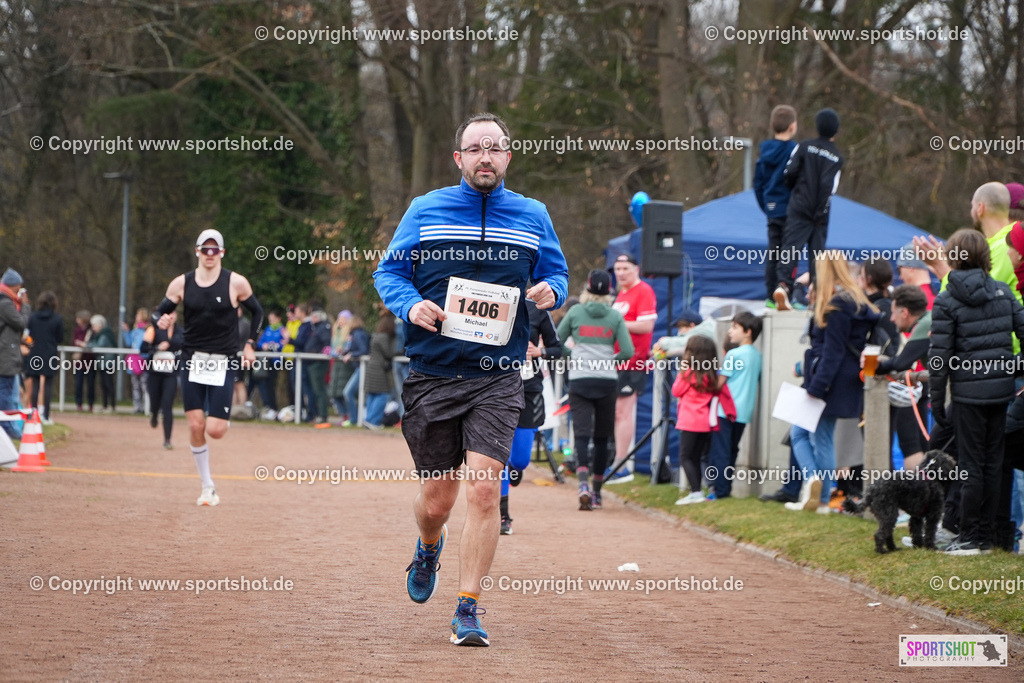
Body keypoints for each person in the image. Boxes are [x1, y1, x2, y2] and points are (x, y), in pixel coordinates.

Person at [373, 112, 568, 647]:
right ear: (458, 158)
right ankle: (428, 545)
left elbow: (556, 273)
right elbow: (389, 272)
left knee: (484, 490)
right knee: (437, 501)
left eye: (495, 147)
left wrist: (552, 291)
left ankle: (467, 607)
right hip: (434, 373)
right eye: (476, 148)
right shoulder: (426, 209)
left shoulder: (532, 214)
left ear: (508, 156)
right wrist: (410, 305)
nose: (486, 156)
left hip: (498, 375)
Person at [929, 229, 1024, 555]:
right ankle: (985, 535)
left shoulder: (946, 300)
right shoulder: (1003, 292)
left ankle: (971, 536)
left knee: (970, 464)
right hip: (1000, 393)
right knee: (992, 463)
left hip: (968, 396)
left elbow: (939, 358)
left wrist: (936, 402)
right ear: (986, 256)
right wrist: (1012, 367)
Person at [152, 229, 263, 507]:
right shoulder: (182, 283)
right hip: (192, 358)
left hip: (223, 360)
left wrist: (250, 344)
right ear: (197, 251)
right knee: (195, 423)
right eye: (205, 249)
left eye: (215, 250)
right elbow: (159, 311)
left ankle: (222, 418)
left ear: (222, 253)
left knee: (215, 430)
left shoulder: (236, 282)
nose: (210, 254)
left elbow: (258, 312)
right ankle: (207, 486)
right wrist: (160, 321)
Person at [785, 251, 879, 513]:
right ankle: (818, 490)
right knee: (809, 433)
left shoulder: (837, 305)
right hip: (842, 380)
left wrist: (817, 386)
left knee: (814, 435)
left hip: (829, 381)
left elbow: (832, 351)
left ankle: (819, 492)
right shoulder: (855, 301)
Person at [557, 270, 632, 511]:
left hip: (580, 380)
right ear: (609, 291)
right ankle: (597, 492)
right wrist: (609, 362)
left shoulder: (575, 312)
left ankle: (582, 485)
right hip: (606, 382)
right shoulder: (615, 316)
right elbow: (628, 351)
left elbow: (556, 341)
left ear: (587, 289)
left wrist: (574, 355)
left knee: (581, 435)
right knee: (601, 437)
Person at [773, 108, 844, 310]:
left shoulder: (804, 146)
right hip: (820, 213)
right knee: (818, 255)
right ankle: (816, 292)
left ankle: (783, 285)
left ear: (817, 126)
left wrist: (796, 190)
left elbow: (789, 171)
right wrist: (821, 210)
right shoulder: (837, 157)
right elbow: (831, 187)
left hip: (799, 207)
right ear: (835, 131)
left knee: (790, 247)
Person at [501, 299, 561, 533]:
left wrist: (539, 351)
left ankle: (515, 468)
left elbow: (557, 349)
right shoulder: (492, 300)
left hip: (530, 390)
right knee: (497, 456)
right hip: (496, 389)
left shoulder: (537, 310)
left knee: (520, 460)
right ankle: (503, 515)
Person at [609, 253, 658, 484]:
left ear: (636, 269)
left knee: (623, 412)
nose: (620, 273)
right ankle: (616, 462)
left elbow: (647, 325)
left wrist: (617, 323)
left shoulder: (644, 291)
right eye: (617, 269)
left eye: (625, 268)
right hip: (615, 361)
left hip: (633, 362)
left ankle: (621, 466)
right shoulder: (622, 293)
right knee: (615, 413)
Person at [672, 335, 736, 505]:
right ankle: (698, 490)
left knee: (685, 457)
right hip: (706, 422)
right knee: (697, 456)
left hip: (690, 422)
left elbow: (676, 391)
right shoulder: (713, 376)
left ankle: (695, 492)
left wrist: (682, 370)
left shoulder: (688, 373)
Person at [706, 312, 763, 499]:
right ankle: (725, 488)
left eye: (734, 327)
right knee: (731, 449)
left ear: (748, 332)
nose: (730, 331)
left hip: (725, 411)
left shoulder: (733, 354)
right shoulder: (757, 356)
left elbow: (719, 383)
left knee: (720, 450)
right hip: (744, 413)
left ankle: (720, 491)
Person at [754, 104, 798, 307]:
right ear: (793, 126)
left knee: (773, 252)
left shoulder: (764, 152)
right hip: (791, 209)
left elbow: (758, 184)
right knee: (790, 252)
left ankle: (771, 297)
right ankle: (785, 290)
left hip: (772, 209)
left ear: (772, 125)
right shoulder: (795, 151)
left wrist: (767, 206)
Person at [141, 310, 183, 449]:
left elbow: (185, 347)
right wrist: (157, 347)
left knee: (167, 405)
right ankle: (154, 415)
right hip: (155, 373)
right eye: (168, 314)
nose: (170, 317)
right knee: (155, 402)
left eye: (173, 314)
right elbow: (143, 348)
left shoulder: (180, 332)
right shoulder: (153, 329)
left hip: (171, 374)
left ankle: (167, 440)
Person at [0, 268, 31, 438]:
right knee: (6, 397)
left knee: (11, 395)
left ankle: (11, 430)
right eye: (18, 288)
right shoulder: (5, 303)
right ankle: (7, 430)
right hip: (5, 359)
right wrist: (25, 306)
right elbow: (20, 323)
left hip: (8, 357)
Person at [25, 291, 63, 423]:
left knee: (35, 384)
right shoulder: (57, 319)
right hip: (50, 353)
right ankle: (46, 416)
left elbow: (28, 334)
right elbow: (60, 338)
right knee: (48, 384)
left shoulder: (32, 317)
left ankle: (34, 414)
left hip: (35, 352)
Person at [361, 315, 397, 429]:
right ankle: (374, 421)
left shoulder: (376, 336)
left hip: (372, 367)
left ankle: (368, 420)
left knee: (372, 394)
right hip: (379, 369)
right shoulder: (384, 337)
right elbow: (388, 353)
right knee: (382, 395)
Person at [255, 308, 288, 419]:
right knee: (265, 384)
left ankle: (274, 408)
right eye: (270, 319)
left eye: (273, 319)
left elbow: (283, 344)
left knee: (272, 384)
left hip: (276, 361)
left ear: (278, 319)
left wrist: (273, 346)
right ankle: (268, 406)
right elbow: (260, 342)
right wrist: (263, 345)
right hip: (266, 361)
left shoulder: (282, 330)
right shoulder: (268, 329)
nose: (271, 321)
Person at [340, 315, 370, 426]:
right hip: (358, 367)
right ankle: (355, 418)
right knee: (351, 393)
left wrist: (351, 354)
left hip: (362, 367)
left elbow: (363, 350)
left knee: (348, 392)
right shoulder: (355, 334)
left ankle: (354, 419)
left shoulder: (358, 334)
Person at [87, 315, 117, 412]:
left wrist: (86, 344)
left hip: (108, 363)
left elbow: (99, 346)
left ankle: (112, 406)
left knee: (108, 384)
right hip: (102, 363)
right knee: (103, 385)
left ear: (100, 325)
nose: (93, 328)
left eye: (94, 325)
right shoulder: (98, 335)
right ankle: (105, 405)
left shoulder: (105, 335)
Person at [123, 308, 150, 415]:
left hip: (143, 360)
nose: (136, 317)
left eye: (138, 315)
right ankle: (137, 407)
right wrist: (126, 332)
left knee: (144, 385)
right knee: (135, 385)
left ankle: (147, 406)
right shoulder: (135, 331)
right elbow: (129, 343)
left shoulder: (148, 330)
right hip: (134, 360)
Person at [327, 311, 352, 419]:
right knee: (333, 392)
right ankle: (343, 415)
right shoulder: (335, 331)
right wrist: (332, 351)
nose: (340, 321)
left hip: (345, 366)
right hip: (335, 364)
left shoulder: (350, 332)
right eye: (339, 318)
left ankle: (349, 415)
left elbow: (349, 348)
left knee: (343, 392)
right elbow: (332, 348)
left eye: (342, 318)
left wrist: (342, 350)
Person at [895, 243, 935, 309]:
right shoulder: (939, 295)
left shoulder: (915, 301)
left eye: (899, 271)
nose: (900, 277)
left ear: (910, 268)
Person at [72, 310, 96, 412]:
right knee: (78, 384)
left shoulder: (92, 331)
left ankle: (91, 404)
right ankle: (79, 403)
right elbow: (73, 342)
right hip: (79, 362)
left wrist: (84, 344)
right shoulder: (77, 331)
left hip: (90, 361)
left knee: (91, 384)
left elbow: (93, 343)